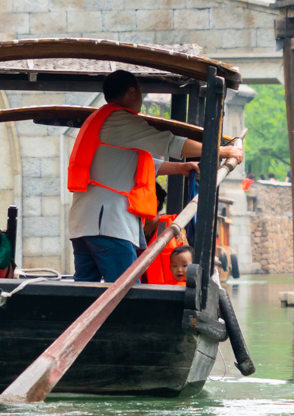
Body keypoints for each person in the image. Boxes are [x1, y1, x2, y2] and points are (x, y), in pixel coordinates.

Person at [66, 69, 242, 283]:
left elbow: (140, 164)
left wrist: (181, 168)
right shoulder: (121, 120)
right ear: (132, 92)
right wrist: (221, 151)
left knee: (86, 290)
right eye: (140, 92)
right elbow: (171, 143)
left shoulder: (98, 119)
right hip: (108, 225)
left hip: (83, 224)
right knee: (125, 290)